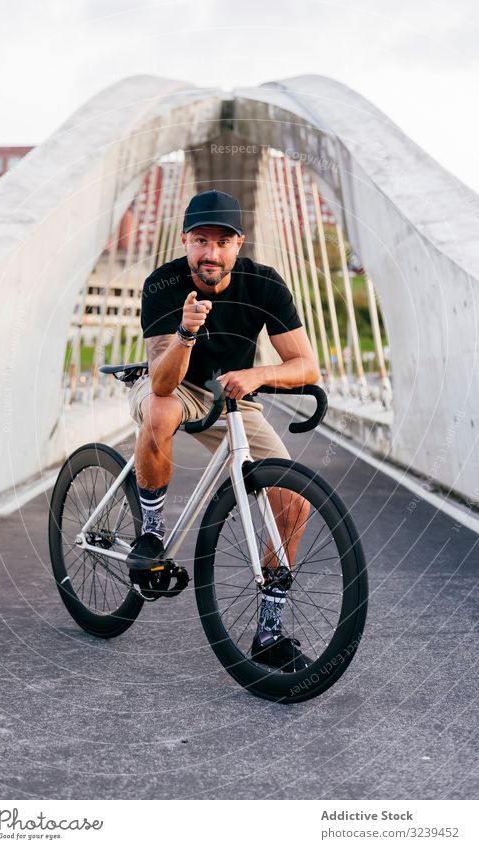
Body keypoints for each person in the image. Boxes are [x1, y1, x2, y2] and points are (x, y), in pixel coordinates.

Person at [127, 189, 321, 670]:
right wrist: (187, 332)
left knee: (293, 499)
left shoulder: (265, 285)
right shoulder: (163, 284)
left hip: (234, 393)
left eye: (222, 241)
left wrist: (258, 375)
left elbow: (306, 366)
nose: (210, 253)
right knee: (160, 413)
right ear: (185, 241)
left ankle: (270, 632)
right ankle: (151, 533)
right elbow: (162, 382)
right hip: (173, 384)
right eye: (200, 240)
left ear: (239, 244)